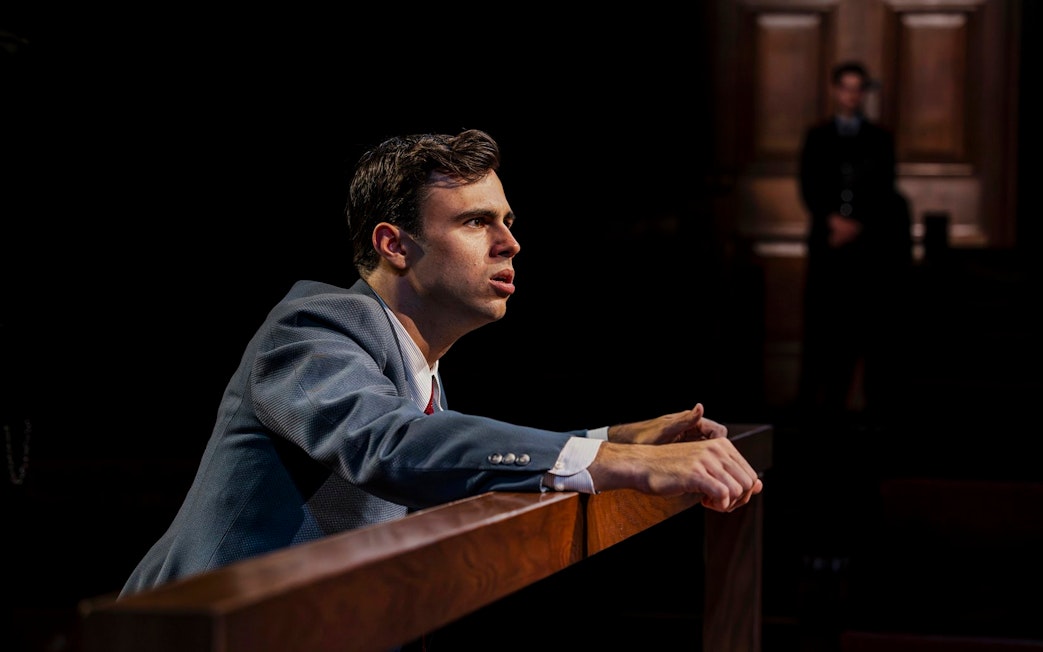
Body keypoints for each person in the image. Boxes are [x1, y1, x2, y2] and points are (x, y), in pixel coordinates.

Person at [119, 128, 763, 599]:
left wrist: (610, 439)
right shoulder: (311, 328)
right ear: (394, 244)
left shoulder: (415, 365)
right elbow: (392, 446)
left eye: (507, 220)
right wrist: (623, 463)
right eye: (477, 222)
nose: (511, 242)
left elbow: (447, 458)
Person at [796, 61, 912, 430]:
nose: (851, 95)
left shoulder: (880, 138)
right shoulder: (817, 136)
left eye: (857, 88)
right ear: (835, 90)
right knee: (824, 328)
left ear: (864, 92)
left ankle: (867, 412)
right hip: (828, 247)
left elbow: (885, 190)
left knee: (865, 327)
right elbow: (809, 183)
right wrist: (832, 219)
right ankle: (819, 410)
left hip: (866, 251)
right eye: (845, 87)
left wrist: (857, 224)